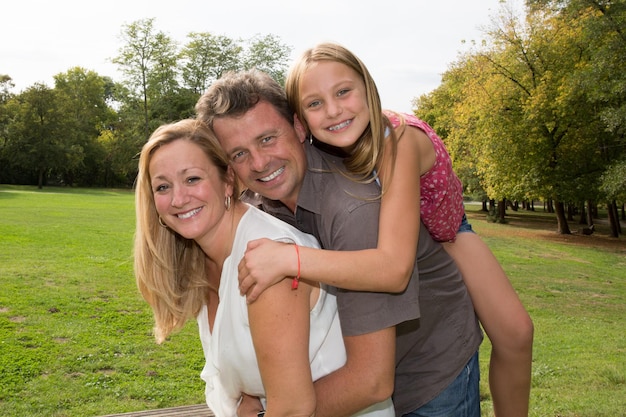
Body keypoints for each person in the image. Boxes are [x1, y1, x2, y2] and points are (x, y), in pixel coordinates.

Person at [236, 43, 534, 417]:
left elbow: (393, 269)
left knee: (516, 333)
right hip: (418, 234)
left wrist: (291, 259)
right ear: (300, 121)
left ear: (368, 87)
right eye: (315, 104)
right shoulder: (320, 155)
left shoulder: (399, 140)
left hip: (448, 229)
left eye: (343, 91)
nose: (333, 110)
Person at [196, 69, 483, 417]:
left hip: (430, 372)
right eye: (239, 154)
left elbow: (370, 382)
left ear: (299, 127)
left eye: (268, 138)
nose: (259, 163)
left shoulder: (353, 210)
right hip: (355, 379)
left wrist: (272, 412)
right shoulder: (263, 205)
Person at [133, 119, 394, 417]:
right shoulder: (204, 262)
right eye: (163, 186)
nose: (178, 199)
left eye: (192, 179)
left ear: (227, 180)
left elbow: (293, 408)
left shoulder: (267, 261)